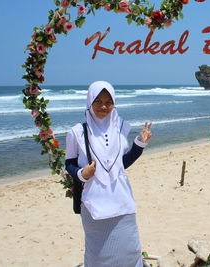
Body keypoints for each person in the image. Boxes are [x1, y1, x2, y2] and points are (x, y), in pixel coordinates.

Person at [65, 81, 152, 267]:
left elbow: (121, 164)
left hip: (122, 199)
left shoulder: (121, 127)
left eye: (108, 102)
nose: (103, 106)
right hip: (94, 203)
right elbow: (69, 163)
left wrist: (140, 143)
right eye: (98, 101)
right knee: (98, 255)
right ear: (90, 102)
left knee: (129, 250)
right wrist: (81, 174)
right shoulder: (76, 132)